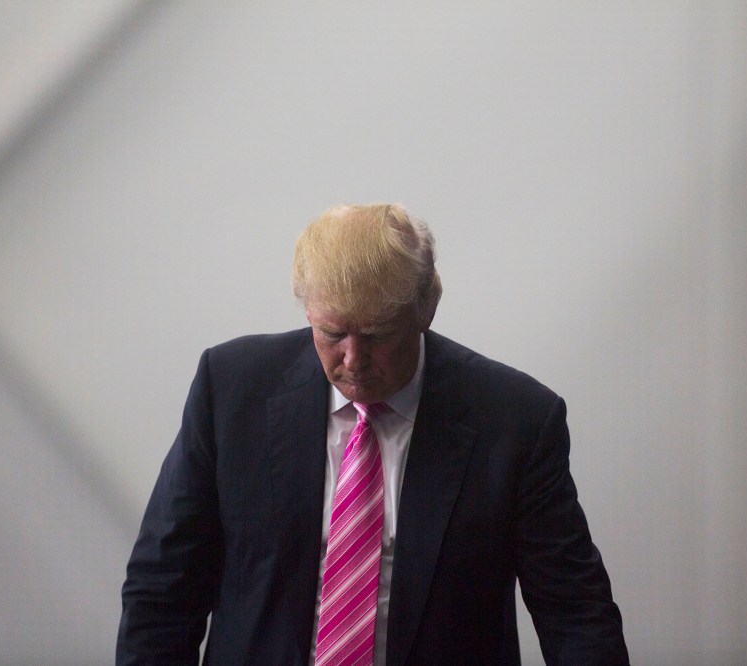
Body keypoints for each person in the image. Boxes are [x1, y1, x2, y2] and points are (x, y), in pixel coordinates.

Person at [117, 203, 629, 665]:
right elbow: (164, 588)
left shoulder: (515, 419)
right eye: (332, 333)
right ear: (306, 309)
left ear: (427, 307)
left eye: (378, 334)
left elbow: (575, 613)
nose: (353, 361)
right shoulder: (230, 391)